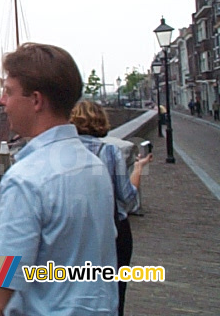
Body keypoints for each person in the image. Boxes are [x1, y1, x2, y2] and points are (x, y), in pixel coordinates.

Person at [0, 43, 117, 316]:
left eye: (9, 92)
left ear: (36, 101)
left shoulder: (27, 178)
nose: (2, 103)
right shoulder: (95, 167)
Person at [70, 101, 153, 316]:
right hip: (113, 231)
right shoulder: (110, 152)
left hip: (77, 233)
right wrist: (138, 168)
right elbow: (127, 198)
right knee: (115, 291)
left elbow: (4, 251)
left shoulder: (50, 160)